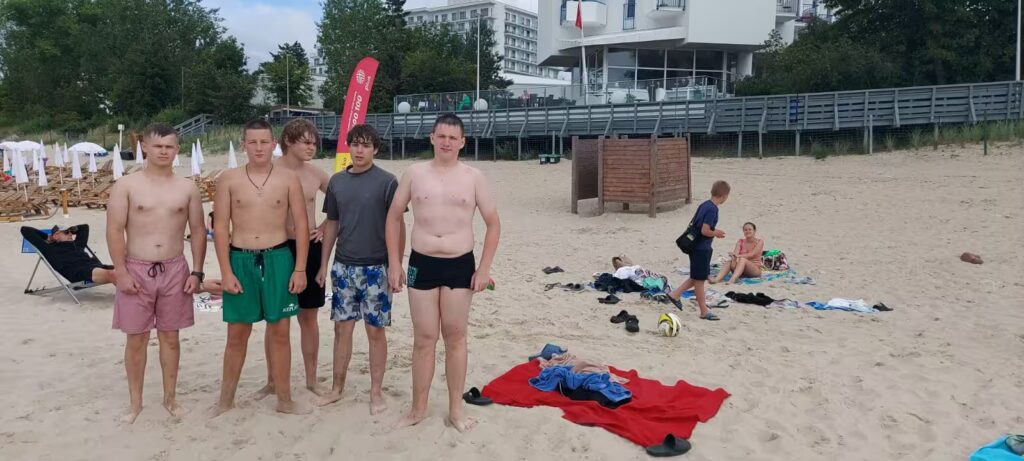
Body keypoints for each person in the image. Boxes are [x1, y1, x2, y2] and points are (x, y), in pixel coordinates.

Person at [386, 113, 501, 433]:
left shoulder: (474, 177)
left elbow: (493, 223)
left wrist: (484, 269)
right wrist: (394, 262)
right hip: (421, 262)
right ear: (432, 138)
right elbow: (393, 216)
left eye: (453, 137)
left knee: (455, 336)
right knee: (424, 337)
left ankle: (455, 411)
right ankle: (418, 408)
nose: (446, 142)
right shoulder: (414, 173)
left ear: (462, 142)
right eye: (442, 136)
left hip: (459, 263)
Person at [105, 122, 207, 423]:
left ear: (177, 150)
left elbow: (198, 231)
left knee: (171, 337)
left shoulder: (187, 187)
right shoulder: (127, 185)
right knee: (136, 338)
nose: (164, 151)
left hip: (175, 268)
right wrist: (120, 271)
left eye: (169, 146)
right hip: (136, 267)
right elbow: (114, 229)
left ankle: (170, 398)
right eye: (158, 146)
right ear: (145, 148)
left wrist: (197, 272)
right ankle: (135, 403)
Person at [212, 119, 311, 417]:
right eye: (252, 142)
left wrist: (300, 269)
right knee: (237, 334)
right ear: (244, 145)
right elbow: (220, 228)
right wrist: (226, 271)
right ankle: (225, 400)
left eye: (264, 142)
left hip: (278, 258)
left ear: (274, 145)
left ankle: (284, 399)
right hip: (240, 259)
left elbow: (302, 225)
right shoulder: (228, 179)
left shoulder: (288, 179)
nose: (258, 148)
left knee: (280, 332)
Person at [316, 124, 405, 414]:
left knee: (375, 331)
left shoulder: (388, 182)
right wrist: (324, 264)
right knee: (342, 329)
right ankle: (337, 387)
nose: (359, 150)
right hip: (344, 267)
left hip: (377, 268)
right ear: (349, 147)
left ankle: (376, 391)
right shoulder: (337, 182)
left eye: (366, 145)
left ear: (375, 149)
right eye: (355, 144)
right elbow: (332, 224)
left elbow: (398, 224)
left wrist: (396, 264)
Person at [253, 118, 330, 400]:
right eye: (306, 142)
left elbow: (343, 201)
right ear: (288, 141)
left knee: (309, 317)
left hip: (309, 247)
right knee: (275, 318)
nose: (312, 147)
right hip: (276, 248)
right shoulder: (269, 172)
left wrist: (324, 227)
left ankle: (311, 380)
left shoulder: (316, 174)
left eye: (314, 143)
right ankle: (272, 380)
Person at [667, 180, 730, 321]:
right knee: (700, 280)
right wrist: (716, 233)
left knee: (696, 276)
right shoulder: (713, 209)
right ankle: (704, 311)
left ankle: (674, 295)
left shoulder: (704, 205)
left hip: (695, 246)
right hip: (701, 248)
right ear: (724, 196)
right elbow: (705, 230)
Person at [20, 224, 115, 285]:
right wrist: (47, 237)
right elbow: (25, 230)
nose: (70, 234)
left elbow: (84, 227)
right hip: (79, 272)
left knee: (122, 271)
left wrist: (71, 229)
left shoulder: (77, 244)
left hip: (97, 267)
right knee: (114, 274)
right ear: (55, 235)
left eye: (71, 232)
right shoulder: (50, 249)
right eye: (66, 232)